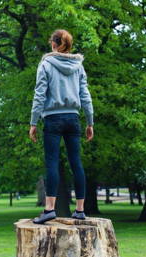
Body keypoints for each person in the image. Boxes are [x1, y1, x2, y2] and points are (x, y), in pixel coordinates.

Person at [29, 29, 94, 224]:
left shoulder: (46, 64)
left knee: (52, 162)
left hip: (52, 118)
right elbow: (85, 96)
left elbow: (39, 95)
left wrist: (33, 122)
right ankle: (80, 210)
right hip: (73, 118)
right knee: (76, 163)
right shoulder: (78, 66)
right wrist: (90, 122)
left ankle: (49, 209)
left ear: (54, 44)